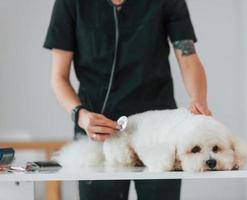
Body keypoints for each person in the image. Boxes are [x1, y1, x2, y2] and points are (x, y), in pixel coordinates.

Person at [44, 0, 211, 199]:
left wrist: (198, 99)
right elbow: (59, 77)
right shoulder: (70, 3)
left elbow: (188, 58)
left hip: (158, 134)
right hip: (97, 130)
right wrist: (80, 114)